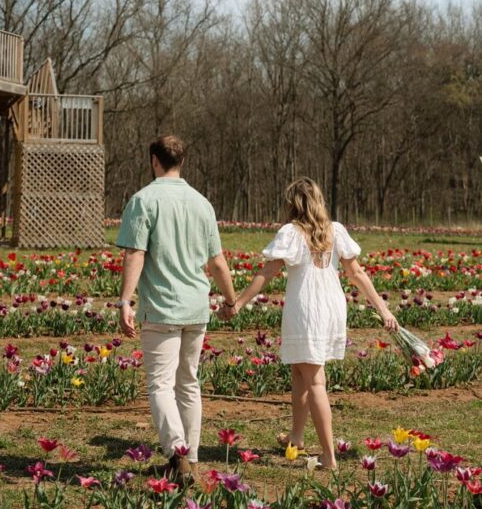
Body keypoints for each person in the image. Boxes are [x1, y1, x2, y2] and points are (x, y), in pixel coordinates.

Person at [221, 177, 398, 469]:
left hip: (307, 309)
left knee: (315, 379)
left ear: (293, 204)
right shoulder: (334, 231)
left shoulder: (292, 233)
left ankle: (329, 456)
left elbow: (267, 272)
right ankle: (297, 438)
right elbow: (357, 274)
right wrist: (383, 308)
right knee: (300, 373)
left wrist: (238, 303)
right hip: (331, 306)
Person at [116, 135, 238, 482]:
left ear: (155, 160)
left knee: (159, 386)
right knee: (188, 384)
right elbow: (217, 262)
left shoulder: (144, 200)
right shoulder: (202, 203)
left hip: (161, 308)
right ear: (180, 161)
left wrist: (125, 300)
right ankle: (190, 458)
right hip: (197, 308)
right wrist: (230, 300)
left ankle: (177, 453)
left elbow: (135, 254)